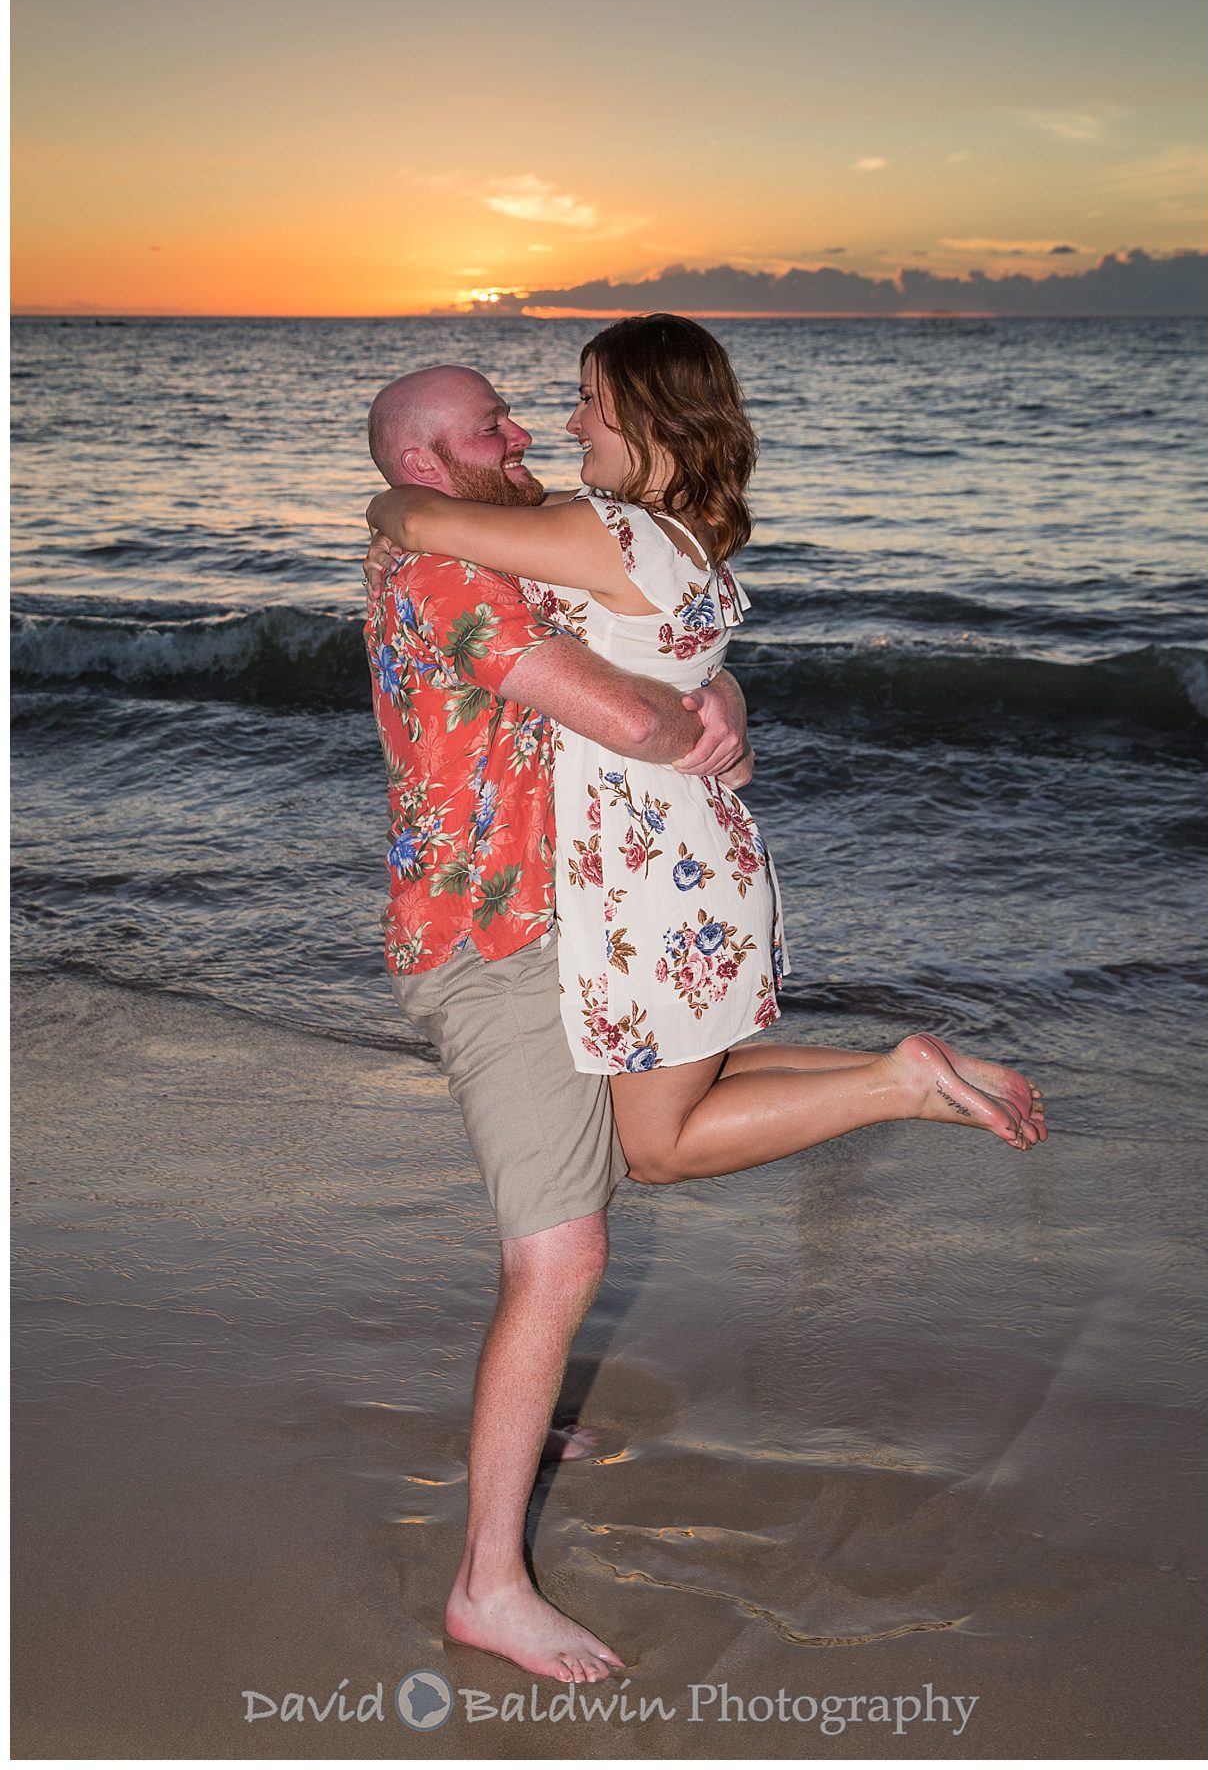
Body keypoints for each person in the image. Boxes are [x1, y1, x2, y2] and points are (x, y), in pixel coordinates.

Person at [368, 320, 1045, 1185]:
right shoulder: (682, 537)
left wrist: (382, 506)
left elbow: (425, 514)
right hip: (684, 850)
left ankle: (897, 1083)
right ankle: (910, 1070)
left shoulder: (605, 533)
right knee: (691, 1083)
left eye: (588, 403)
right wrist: (731, 696)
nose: (568, 426)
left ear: (649, 421)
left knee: (657, 1146)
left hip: (647, 872)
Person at [364, 362, 756, 1683]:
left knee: (574, 1213)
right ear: (427, 465)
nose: (523, 431)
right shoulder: (448, 574)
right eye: (491, 428)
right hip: (496, 946)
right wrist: (691, 721)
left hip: (553, 929)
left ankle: (520, 1427)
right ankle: (487, 1585)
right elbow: (625, 712)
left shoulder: (489, 542)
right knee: (561, 1254)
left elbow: (667, 655)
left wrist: (713, 696)